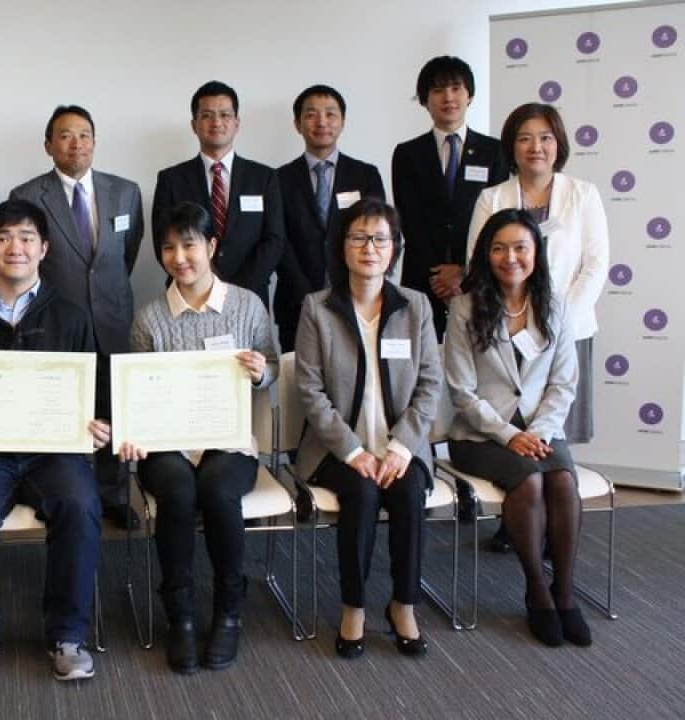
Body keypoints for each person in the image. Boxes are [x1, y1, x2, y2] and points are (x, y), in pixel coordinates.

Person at [0, 200, 111, 683]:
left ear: (44, 248)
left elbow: (96, 390)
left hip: (54, 451)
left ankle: (67, 634)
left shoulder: (70, 315)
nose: (16, 247)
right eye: (4, 238)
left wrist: (96, 423)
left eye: (27, 237)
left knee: (80, 502)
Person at [118, 201, 278, 674]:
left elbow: (270, 370)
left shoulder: (247, 304)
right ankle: (181, 615)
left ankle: (229, 610)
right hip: (166, 444)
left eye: (189, 244)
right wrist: (131, 432)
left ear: (211, 246)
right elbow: (138, 394)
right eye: (168, 247)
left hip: (227, 439)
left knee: (217, 488)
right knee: (177, 490)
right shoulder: (150, 318)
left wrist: (261, 370)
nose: (179, 256)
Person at [294, 199, 441, 660]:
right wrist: (355, 451)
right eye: (358, 237)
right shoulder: (318, 308)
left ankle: (403, 604)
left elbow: (431, 384)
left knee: (409, 492)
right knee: (361, 494)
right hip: (337, 450)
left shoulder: (416, 306)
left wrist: (401, 449)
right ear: (342, 247)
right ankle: (354, 606)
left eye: (380, 238)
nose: (370, 248)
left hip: (402, 447)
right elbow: (310, 390)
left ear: (395, 248)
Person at [467, 102, 609, 554]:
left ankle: (552, 524)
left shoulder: (583, 195)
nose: (536, 147)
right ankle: (518, 518)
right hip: (502, 332)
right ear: (512, 146)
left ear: (558, 144)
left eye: (545, 137)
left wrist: (554, 319)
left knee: (552, 427)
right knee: (508, 422)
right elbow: (479, 262)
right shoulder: (493, 198)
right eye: (525, 138)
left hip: (564, 331)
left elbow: (595, 264)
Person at [445, 209, 589, 647]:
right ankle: (538, 592)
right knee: (528, 484)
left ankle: (565, 592)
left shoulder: (555, 306)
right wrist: (510, 435)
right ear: (486, 255)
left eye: (521, 247)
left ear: (536, 253)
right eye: (499, 248)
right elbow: (461, 392)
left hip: (540, 431)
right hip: (479, 435)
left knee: (563, 480)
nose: (511, 257)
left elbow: (564, 382)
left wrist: (540, 432)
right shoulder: (465, 307)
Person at [10, 104, 145, 530]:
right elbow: (26, 259)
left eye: (85, 134)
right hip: (55, 322)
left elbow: (127, 253)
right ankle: (53, 492)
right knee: (58, 407)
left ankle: (113, 494)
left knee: (110, 409)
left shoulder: (125, 191)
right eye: (65, 135)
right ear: (48, 145)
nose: (76, 143)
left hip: (113, 319)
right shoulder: (27, 196)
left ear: (95, 141)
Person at [392, 56, 508, 339]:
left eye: (456, 88)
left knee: (476, 361)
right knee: (423, 362)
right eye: (438, 90)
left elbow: (497, 221)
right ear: (425, 100)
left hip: (479, 278)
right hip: (423, 279)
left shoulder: (495, 151)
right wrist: (439, 277)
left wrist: (464, 272)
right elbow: (409, 219)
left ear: (470, 95)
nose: (448, 97)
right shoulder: (408, 154)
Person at [153, 81, 286, 308]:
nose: (216, 122)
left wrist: (237, 290)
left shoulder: (264, 177)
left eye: (225, 115)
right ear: (194, 125)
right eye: (207, 115)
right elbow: (162, 240)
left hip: (250, 297)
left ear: (236, 123)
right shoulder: (171, 179)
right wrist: (204, 285)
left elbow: (273, 239)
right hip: (190, 296)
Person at [275, 84, 386, 352]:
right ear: (297, 124)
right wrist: (305, 292)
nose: (321, 122)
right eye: (311, 114)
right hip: (296, 300)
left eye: (330, 114)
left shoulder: (366, 175)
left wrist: (353, 285)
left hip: (357, 298)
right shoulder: (278, 179)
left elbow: (380, 235)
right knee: (301, 381)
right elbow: (279, 239)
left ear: (343, 122)